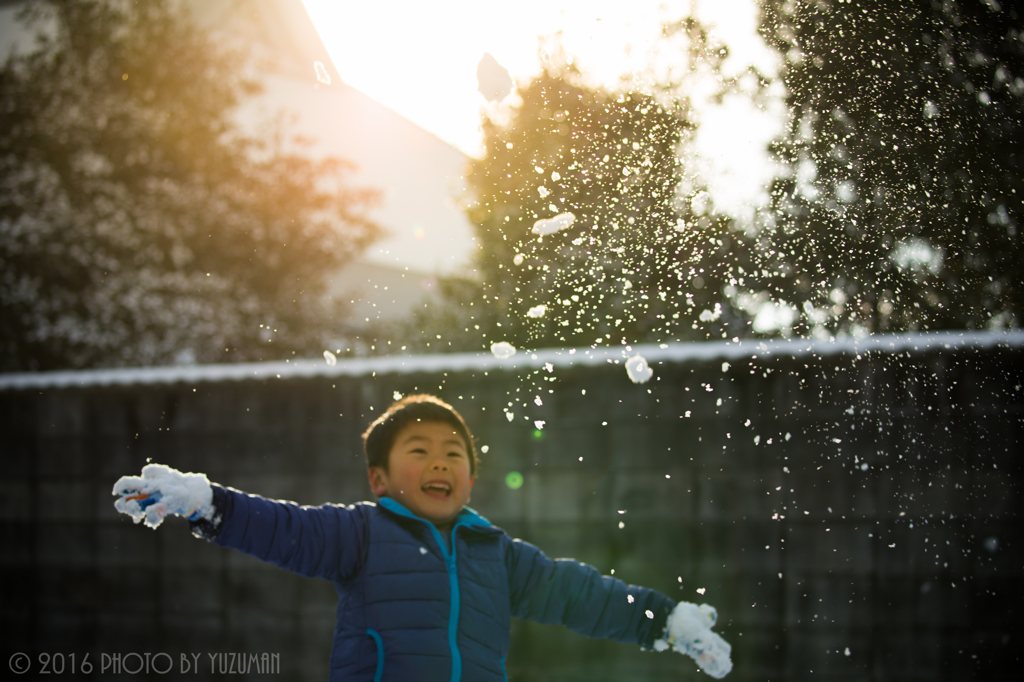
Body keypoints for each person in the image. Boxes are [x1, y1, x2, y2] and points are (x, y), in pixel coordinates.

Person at [113, 394, 732, 681]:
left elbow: (580, 594)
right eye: (420, 451)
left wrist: (664, 620)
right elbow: (286, 529)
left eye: (452, 453)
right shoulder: (361, 533)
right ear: (379, 479)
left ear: (470, 477)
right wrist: (207, 503)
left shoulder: (499, 555)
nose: (440, 462)